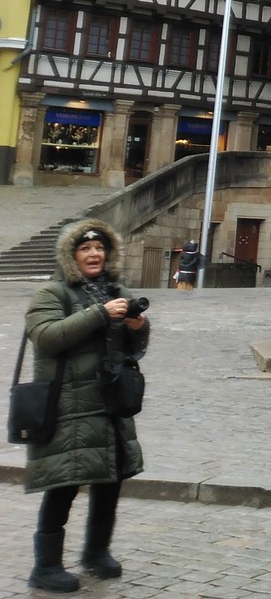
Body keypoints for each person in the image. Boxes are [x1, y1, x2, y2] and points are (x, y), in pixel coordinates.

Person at [23, 220, 150, 592]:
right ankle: (45, 567)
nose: (94, 255)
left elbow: (134, 347)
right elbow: (46, 337)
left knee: (110, 480)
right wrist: (99, 314)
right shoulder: (52, 293)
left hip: (111, 402)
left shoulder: (116, 290)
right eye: (85, 249)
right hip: (69, 406)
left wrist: (137, 326)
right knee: (63, 484)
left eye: (99, 249)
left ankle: (96, 553)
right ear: (71, 256)